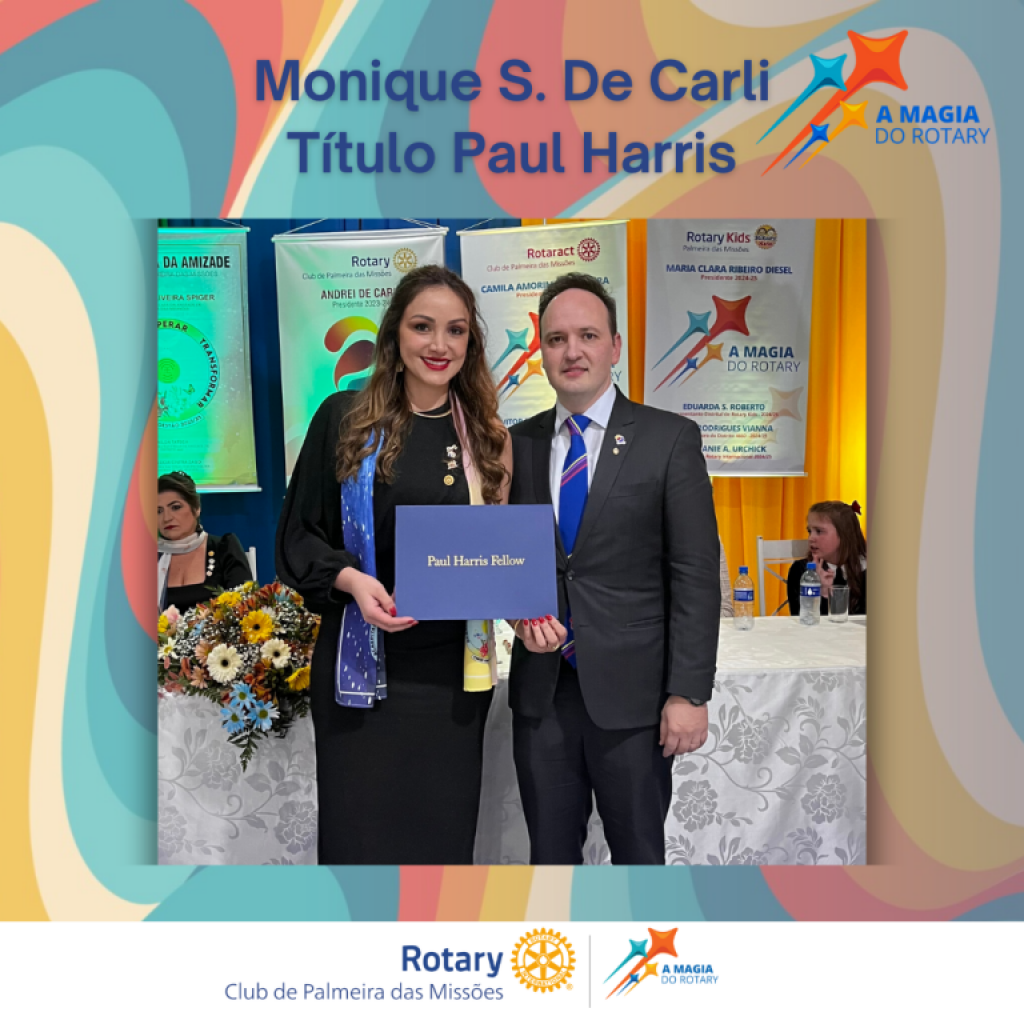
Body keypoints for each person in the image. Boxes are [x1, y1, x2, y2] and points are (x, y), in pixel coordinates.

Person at [275, 264, 512, 865]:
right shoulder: (344, 417)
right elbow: (299, 535)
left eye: (456, 330)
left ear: (471, 342)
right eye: (422, 326)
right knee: (360, 839)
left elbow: (500, 548)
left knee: (441, 840)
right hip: (360, 670)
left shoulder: (485, 436)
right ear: (394, 335)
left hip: (452, 679)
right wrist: (353, 582)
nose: (439, 345)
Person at [507, 273, 721, 865]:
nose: (572, 351)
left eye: (588, 335)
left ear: (615, 347)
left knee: (639, 859)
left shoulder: (668, 439)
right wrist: (515, 615)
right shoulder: (514, 444)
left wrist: (688, 692)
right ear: (541, 352)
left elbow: (695, 574)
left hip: (637, 701)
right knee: (550, 860)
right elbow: (502, 558)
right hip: (543, 695)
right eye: (556, 339)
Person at [157, 471, 252, 613]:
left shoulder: (224, 548)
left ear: (196, 508)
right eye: (158, 511)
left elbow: (245, 608)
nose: (166, 518)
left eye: (176, 507)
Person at [787, 500, 867, 616]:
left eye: (819, 531)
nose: (811, 538)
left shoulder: (867, 571)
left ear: (844, 535)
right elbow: (803, 619)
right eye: (809, 531)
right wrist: (823, 592)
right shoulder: (801, 571)